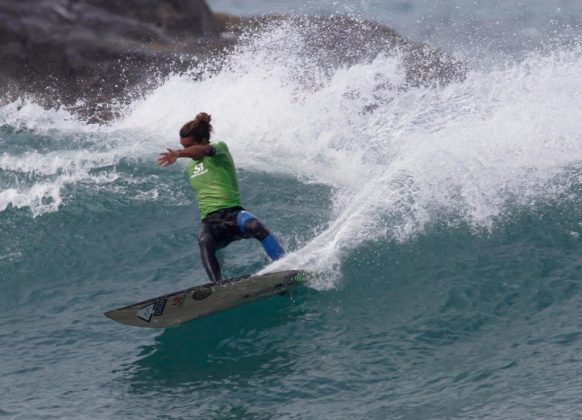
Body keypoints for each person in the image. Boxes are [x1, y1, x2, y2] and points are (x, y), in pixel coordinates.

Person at [158, 112, 285, 283]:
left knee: (255, 225)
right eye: (182, 146)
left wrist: (179, 153)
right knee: (204, 241)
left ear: (203, 140)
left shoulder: (219, 149)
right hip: (211, 222)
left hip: (234, 214)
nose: (186, 150)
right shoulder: (190, 167)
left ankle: (284, 267)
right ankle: (217, 286)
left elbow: (204, 150)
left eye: (189, 146)